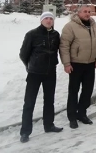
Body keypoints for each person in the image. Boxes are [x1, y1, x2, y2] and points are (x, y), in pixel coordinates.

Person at [19, 12, 63, 143]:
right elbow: (23, 54)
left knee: (49, 100)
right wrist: (30, 65)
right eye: (46, 19)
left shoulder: (56, 35)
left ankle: (49, 125)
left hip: (50, 72)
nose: (49, 21)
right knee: (29, 102)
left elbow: (58, 51)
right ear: (41, 20)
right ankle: (25, 132)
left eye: (51, 19)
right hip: (35, 73)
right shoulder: (32, 34)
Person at [60, 5, 96, 129]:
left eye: (89, 11)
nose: (87, 14)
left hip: (90, 64)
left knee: (87, 91)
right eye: (85, 11)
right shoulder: (70, 27)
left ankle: (82, 113)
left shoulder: (95, 26)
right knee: (73, 91)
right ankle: (72, 117)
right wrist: (67, 63)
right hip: (76, 64)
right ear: (78, 13)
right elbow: (64, 46)